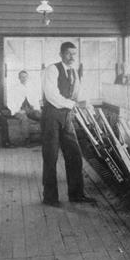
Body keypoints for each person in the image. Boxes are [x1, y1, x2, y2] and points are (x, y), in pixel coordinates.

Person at [40, 41, 96, 206]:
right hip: (51, 116)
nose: (72, 57)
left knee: (74, 155)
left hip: (67, 117)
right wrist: (74, 104)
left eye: (74, 54)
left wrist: (85, 104)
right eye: (68, 54)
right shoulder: (52, 69)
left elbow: (77, 94)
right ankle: (50, 197)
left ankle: (76, 194)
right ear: (61, 54)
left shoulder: (74, 72)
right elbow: (51, 95)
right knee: (51, 157)